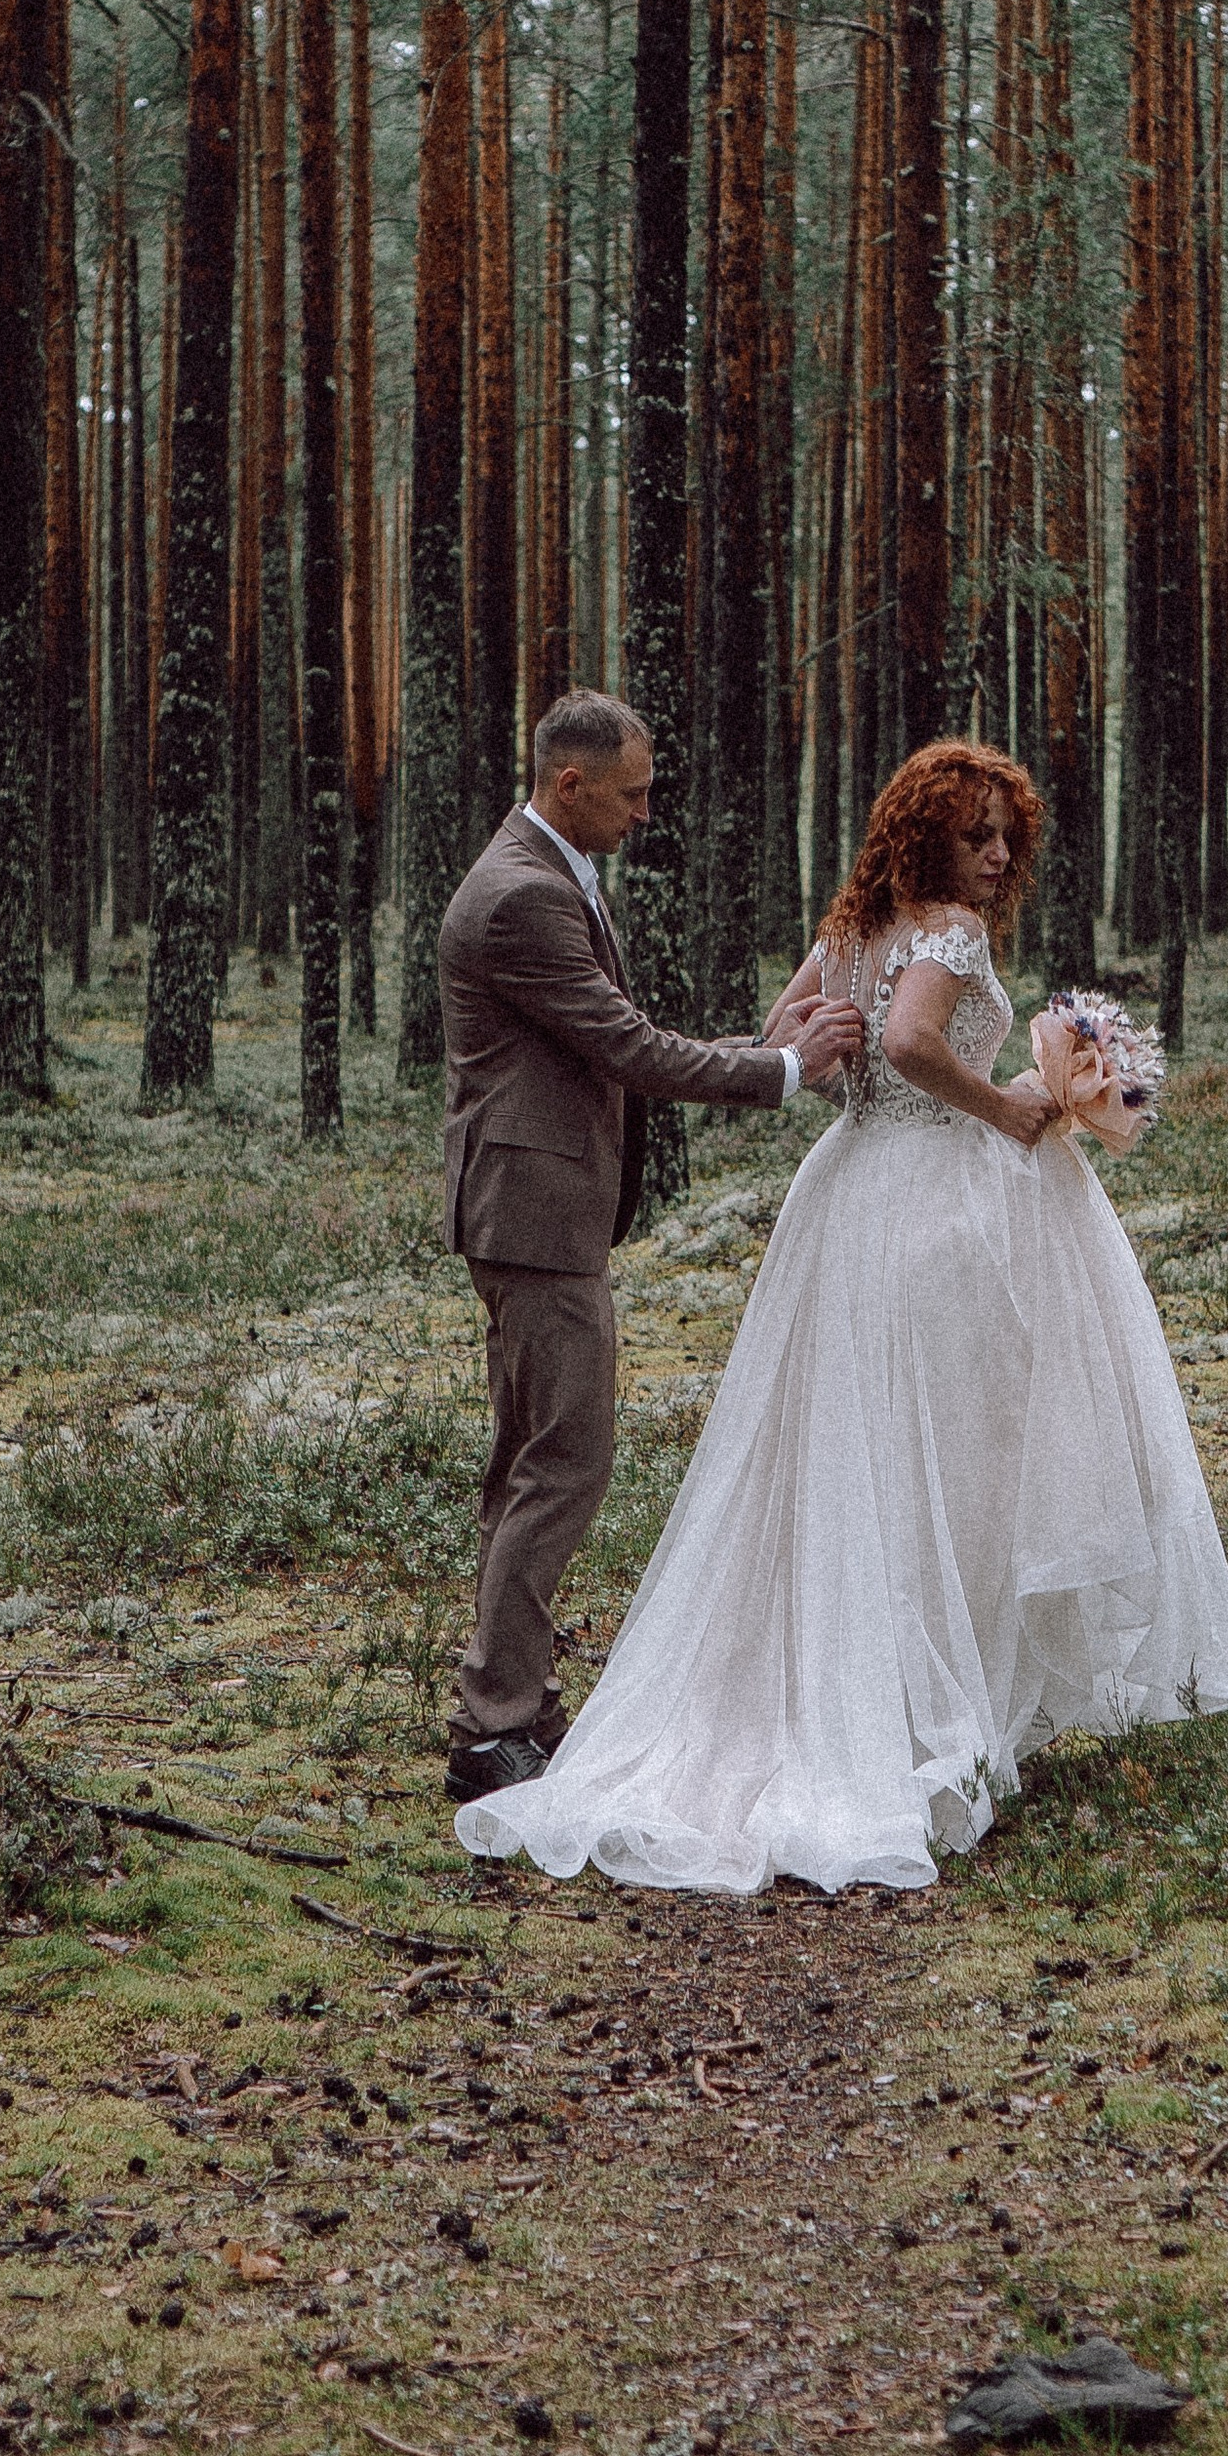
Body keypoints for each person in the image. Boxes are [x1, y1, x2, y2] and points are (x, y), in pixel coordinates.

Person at [452, 739, 1228, 1893]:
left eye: (1004, 837)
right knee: (948, 1456)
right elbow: (905, 1042)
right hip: (932, 1209)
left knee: (858, 1453)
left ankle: (881, 1681)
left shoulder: (849, 930)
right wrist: (1006, 1109)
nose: (993, 858)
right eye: (973, 835)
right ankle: (919, 1703)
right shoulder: (947, 935)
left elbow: (796, 1033)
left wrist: (838, 1070)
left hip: (847, 1195)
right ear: (927, 835)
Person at [436, 689, 865, 1806]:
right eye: (628, 795)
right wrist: (777, 1071)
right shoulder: (521, 896)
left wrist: (751, 1048)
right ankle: (492, 1728)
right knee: (564, 1461)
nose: (642, 815)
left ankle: (510, 1697)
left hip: (533, 1211)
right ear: (568, 784)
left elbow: (603, 1037)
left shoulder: (544, 873)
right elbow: (620, 1043)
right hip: (532, 1219)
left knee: (532, 1458)